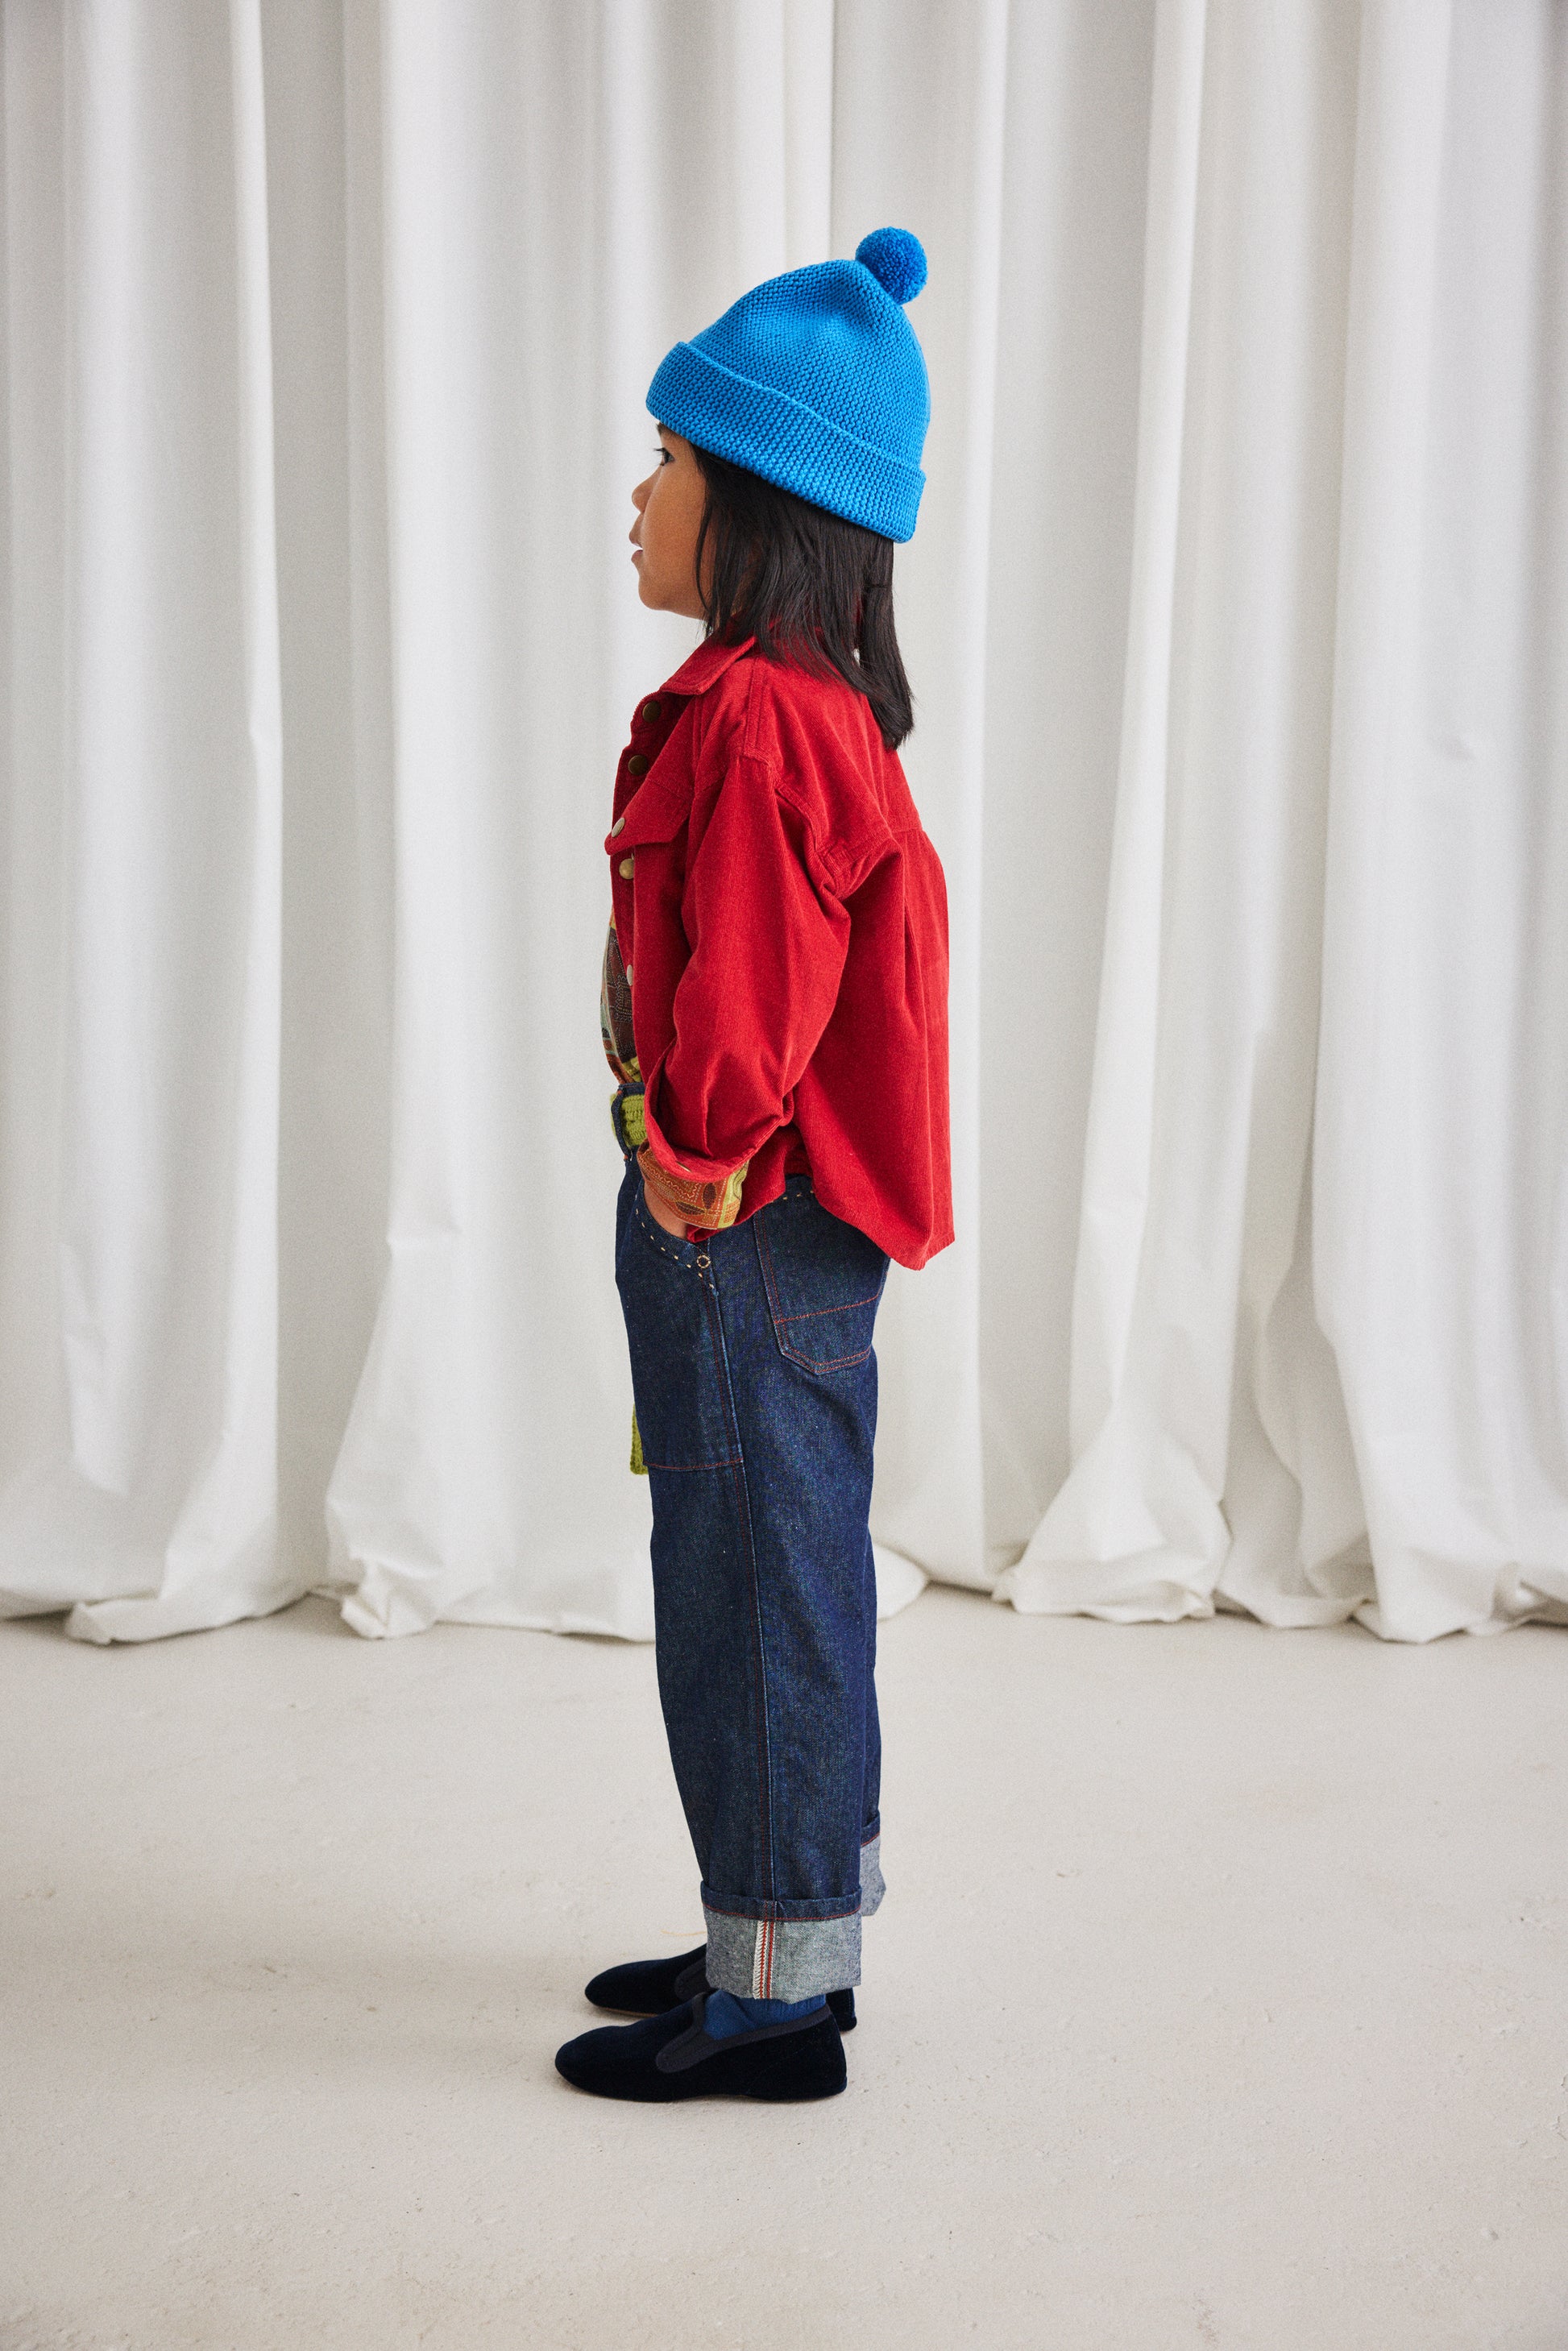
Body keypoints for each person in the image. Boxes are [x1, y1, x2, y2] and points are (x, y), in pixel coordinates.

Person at [554, 229, 952, 2104]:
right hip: (772, 1226)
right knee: (770, 1573)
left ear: (762, 506)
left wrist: (696, 1148)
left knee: (752, 1590)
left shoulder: (763, 721)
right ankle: (783, 1927)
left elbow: (754, 985)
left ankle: (776, 1996)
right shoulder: (793, 704)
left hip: (744, 1218)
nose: (637, 498)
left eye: (667, 462)